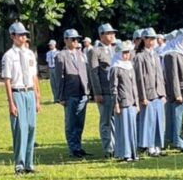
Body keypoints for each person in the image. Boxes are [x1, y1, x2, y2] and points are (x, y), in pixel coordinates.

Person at [1, 22, 41, 174]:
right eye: (20, 35)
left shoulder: (30, 54)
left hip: (29, 91)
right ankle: (19, 164)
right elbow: (7, 80)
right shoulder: (9, 56)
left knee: (31, 128)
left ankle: (29, 164)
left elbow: (34, 76)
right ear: (12, 36)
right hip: (17, 92)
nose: (23, 38)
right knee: (20, 128)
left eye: (24, 35)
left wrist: (37, 97)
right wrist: (11, 102)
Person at [56, 28, 91, 158]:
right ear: (66, 40)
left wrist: (88, 91)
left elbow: (85, 73)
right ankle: (73, 148)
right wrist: (61, 96)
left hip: (82, 92)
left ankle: (78, 145)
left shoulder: (81, 54)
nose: (76, 41)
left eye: (77, 39)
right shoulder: (61, 55)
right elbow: (59, 78)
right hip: (69, 93)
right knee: (71, 123)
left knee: (79, 122)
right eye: (73, 39)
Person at [134, 28, 166, 157]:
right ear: (144, 40)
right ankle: (149, 146)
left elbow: (160, 75)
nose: (152, 41)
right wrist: (142, 96)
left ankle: (158, 145)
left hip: (158, 93)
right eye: (150, 39)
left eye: (154, 39)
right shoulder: (139, 56)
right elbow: (139, 78)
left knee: (159, 120)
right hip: (148, 93)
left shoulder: (156, 55)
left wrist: (163, 93)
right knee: (148, 121)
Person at [88, 23, 117, 158]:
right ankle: (108, 148)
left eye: (113, 33)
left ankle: (117, 146)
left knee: (115, 120)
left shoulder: (115, 50)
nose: (112, 35)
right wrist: (97, 93)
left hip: (115, 91)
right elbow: (94, 73)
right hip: (104, 92)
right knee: (105, 121)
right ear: (101, 36)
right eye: (109, 33)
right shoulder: (95, 51)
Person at [110, 41, 139, 162]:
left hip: (132, 102)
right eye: (124, 53)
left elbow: (134, 86)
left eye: (128, 52)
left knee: (132, 128)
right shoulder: (115, 68)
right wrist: (116, 103)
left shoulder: (130, 66)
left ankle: (133, 153)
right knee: (124, 129)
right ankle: (124, 153)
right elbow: (113, 87)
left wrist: (137, 103)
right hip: (122, 102)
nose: (127, 55)